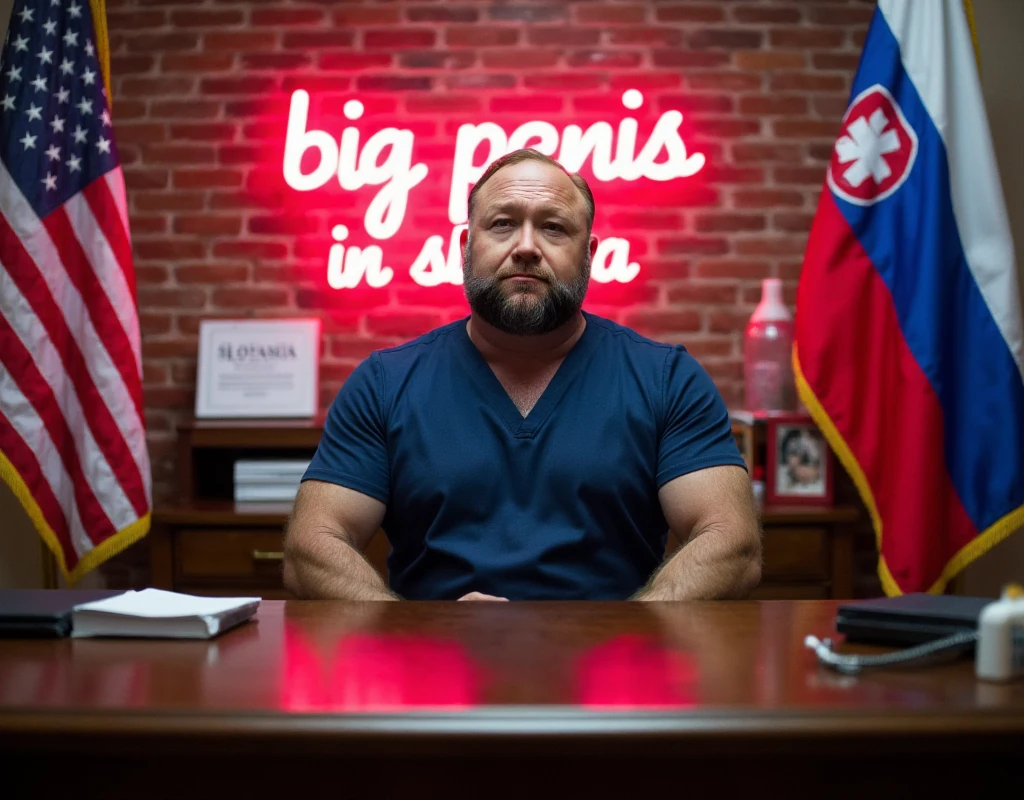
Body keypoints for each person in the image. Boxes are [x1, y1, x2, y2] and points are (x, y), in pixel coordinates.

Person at [283, 149, 761, 601]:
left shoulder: (667, 379)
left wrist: (624, 629)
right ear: (465, 246)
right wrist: (413, 628)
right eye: (503, 224)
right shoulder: (384, 384)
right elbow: (311, 548)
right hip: (437, 675)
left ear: (589, 252)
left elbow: (731, 543)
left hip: (612, 676)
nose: (527, 247)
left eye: (553, 228)